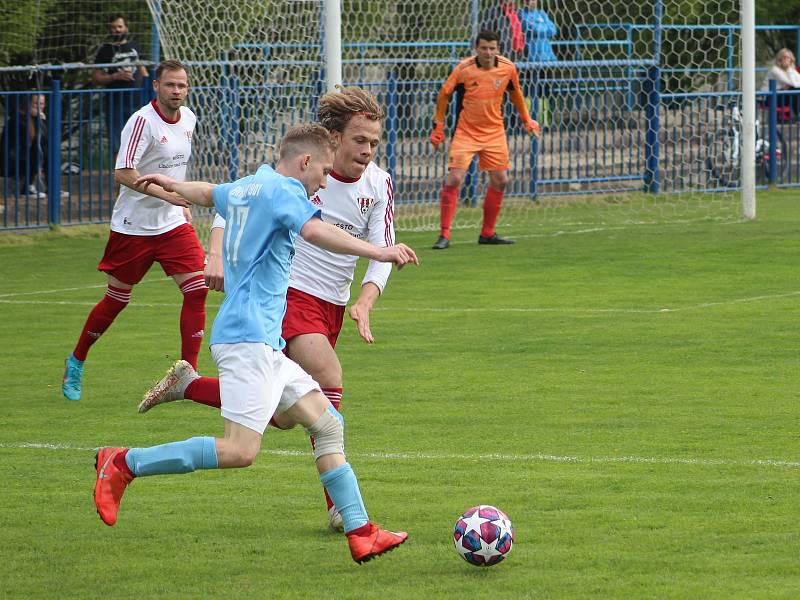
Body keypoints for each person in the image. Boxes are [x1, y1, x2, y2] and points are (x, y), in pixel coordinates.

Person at [93, 123, 418, 565]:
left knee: (327, 424)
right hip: (248, 338)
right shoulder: (286, 192)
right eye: (322, 171)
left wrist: (174, 184)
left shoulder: (250, 185)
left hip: (263, 339)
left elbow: (209, 193)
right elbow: (318, 234)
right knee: (240, 451)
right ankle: (125, 462)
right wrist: (379, 252)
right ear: (305, 162)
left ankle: (361, 531)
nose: (324, 181)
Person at [139, 86, 398, 533]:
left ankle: (191, 386)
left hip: (328, 305)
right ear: (333, 139)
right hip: (290, 298)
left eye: (374, 142)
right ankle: (344, 514)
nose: (367, 151)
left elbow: (383, 242)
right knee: (329, 384)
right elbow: (237, 204)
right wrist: (215, 252)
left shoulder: (377, 183)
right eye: (359, 140)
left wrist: (365, 298)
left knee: (279, 417)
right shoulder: (295, 178)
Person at [61, 60, 207, 401]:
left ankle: (188, 375)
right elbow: (123, 173)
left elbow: (177, 168)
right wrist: (167, 193)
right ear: (155, 85)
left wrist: (179, 202)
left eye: (182, 85)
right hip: (133, 227)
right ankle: (77, 359)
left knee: (197, 289)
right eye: (170, 85)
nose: (177, 91)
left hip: (172, 223)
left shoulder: (189, 119)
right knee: (117, 299)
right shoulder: (142, 121)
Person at [429, 30, 541, 250]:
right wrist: (438, 127)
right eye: (483, 48)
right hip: (466, 131)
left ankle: (488, 233)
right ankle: (444, 235)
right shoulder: (464, 69)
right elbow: (444, 93)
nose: (488, 52)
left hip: (494, 131)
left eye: (492, 48)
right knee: (455, 178)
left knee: (501, 180)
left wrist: (527, 120)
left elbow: (516, 93)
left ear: (498, 49)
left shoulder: (507, 67)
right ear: (476, 48)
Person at [91, 14, 148, 156]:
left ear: (126, 28)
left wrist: (149, 92)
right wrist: (115, 76)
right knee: (117, 145)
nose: (117, 30)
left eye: (119, 26)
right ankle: (120, 177)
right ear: (110, 30)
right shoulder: (105, 50)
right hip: (114, 103)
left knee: (140, 142)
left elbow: (144, 72)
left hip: (137, 101)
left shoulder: (135, 47)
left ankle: (141, 177)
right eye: (113, 27)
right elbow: (96, 78)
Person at [0, 94, 47, 199]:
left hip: (24, 158)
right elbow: (28, 143)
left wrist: (42, 121)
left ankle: (51, 187)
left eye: (42, 104)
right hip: (12, 161)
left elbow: (45, 141)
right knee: (35, 151)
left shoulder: (34, 118)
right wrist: (40, 121)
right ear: (27, 104)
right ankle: (27, 188)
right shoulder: (18, 120)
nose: (39, 107)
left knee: (47, 151)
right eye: (35, 103)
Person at [760, 48, 800, 117]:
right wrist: (789, 70)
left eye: (788, 58)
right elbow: (792, 83)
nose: (786, 60)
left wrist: (790, 70)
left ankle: (797, 115)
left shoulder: (791, 70)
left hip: (780, 95)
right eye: (784, 57)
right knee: (795, 91)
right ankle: (797, 115)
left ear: (791, 60)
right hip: (769, 97)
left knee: (795, 91)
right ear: (780, 59)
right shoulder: (775, 70)